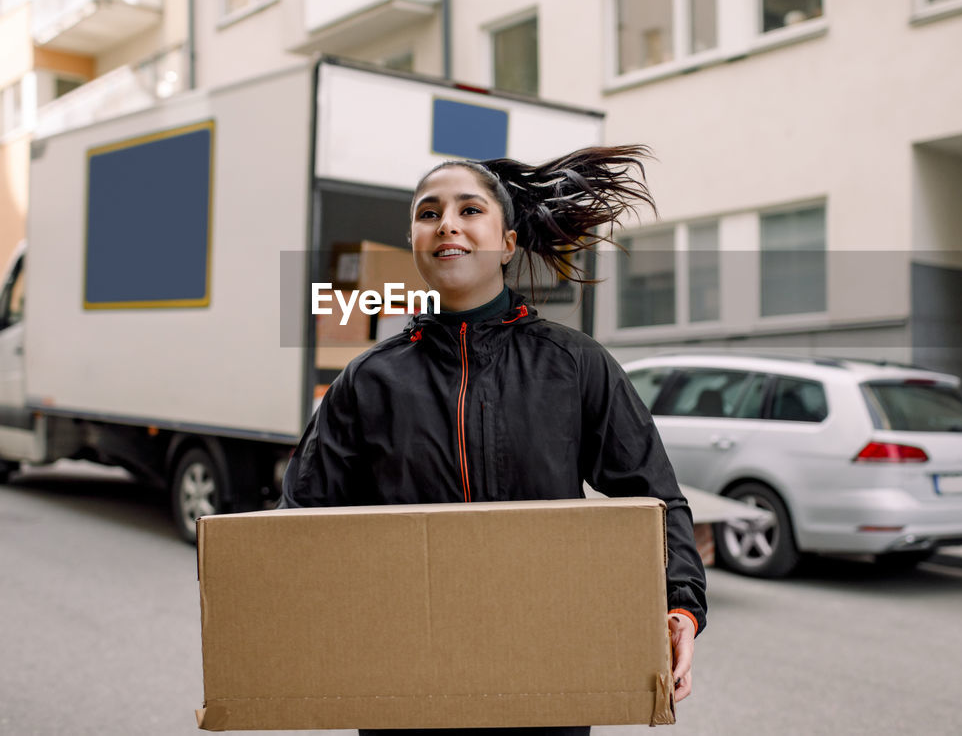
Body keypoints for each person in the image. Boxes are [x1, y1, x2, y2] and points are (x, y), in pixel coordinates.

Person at [281, 146, 708, 736]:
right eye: (428, 213)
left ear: (507, 243)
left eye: (469, 210)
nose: (447, 223)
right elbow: (300, 520)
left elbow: (655, 499)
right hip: (406, 683)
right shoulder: (368, 379)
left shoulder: (576, 365)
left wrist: (679, 606)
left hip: (547, 675)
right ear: (414, 242)